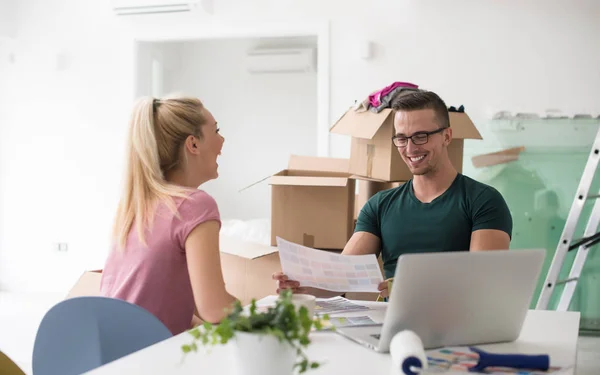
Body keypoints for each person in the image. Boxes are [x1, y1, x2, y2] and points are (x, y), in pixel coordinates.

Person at [273, 90, 513, 299]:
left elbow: (484, 284)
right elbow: (340, 278)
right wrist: (301, 285)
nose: (410, 149)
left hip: (460, 328)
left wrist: (411, 288)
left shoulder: (483, 201)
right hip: (395, 327)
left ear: (447, 136)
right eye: (401, 138)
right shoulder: (380, 206)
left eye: (421, 136)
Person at [100, 96, 237, 335]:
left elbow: (173, 301)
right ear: (193, 144)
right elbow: (214, 308)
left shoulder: (137, 206)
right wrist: (274, 310)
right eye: (216, 131)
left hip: (113, 357)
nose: (222, 140)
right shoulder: (195, 205)